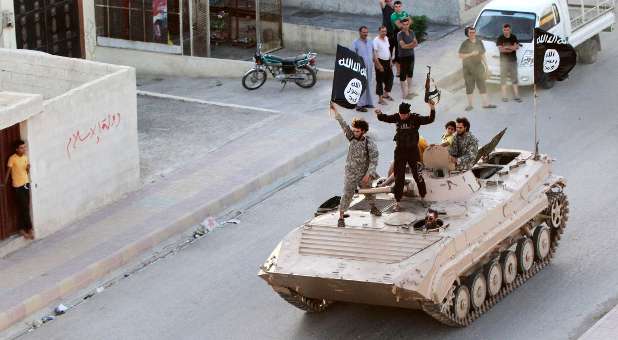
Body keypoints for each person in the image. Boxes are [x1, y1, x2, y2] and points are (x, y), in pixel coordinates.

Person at [376, 100, 436, 211]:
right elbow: (385, 118)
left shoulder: (415, 118)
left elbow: (430, 119)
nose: (402, 117)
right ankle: (397, 202)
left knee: (418, 175)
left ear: (408, 113)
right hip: (400, 151)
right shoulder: (397, 117)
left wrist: (432, 108)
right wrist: (379, 114)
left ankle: (423, 198)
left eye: (404, 115)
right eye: (400, 114)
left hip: (413, 151)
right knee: (399, 177)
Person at [330, 102, 381, 228]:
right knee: (347, 193)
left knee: (369, 192)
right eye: (354, 130)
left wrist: (369, 174)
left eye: (357, 131)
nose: (354, 132)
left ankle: (373, 208)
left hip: (364, 174)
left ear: (363, 131)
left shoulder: (369, 143)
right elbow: (343, 124)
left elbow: (374, 159)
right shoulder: (351, 137)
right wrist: (335, 111)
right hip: (351, 173)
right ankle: (341, 217)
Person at [458, 26, 496, 111]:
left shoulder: (479, 42)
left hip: (479, 67)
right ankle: (470, 105)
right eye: (470, 32)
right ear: (467, 34)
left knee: (482, 86)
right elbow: (460, 56)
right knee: (469, 87)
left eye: (474, 32)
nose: (473, 34)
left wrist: (487, 66)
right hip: (468, 69)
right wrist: (471, 54)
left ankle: (486, 104)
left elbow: (483, 55)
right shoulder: (465, 44)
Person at [2, 140, 33, 240]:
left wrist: (28, 168)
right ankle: (27, 229)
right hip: (18, 186)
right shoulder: (12, 159)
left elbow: (26, 171)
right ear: (16, 149)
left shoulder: (25, 157)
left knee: (26, 207)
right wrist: (4, 183)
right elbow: (8, 172)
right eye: (21, 148)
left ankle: (26, 229)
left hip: (26, 184)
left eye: (24, 147)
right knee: (23, 207)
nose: (24, 149)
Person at [496, 24, 522, 102]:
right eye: (504, 30)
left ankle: (516, 96)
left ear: (510, 30)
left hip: (513, 61)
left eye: (507, 30)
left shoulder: (513, 37)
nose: (506, 31)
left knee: (514, 78)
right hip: (503, 61)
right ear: (502, 30)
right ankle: (504, 96)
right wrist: (511, 48)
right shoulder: (500, 38)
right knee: (503, 78)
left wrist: (507, 47)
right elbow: (501, 50)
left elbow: (516, 47)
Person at [353, 26, 375, 112]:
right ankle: (359, 105)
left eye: (366, 32)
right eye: (363, 32)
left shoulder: (370, 42)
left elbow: (373, 53)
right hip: (360, 69)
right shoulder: (355, 43)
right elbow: (352, 56)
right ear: (360, 32)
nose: (365, 34)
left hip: (369, 67)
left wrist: (377, 64)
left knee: (368, 84)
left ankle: (367, 102)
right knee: (361, 86)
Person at [397, 18, 418, 100]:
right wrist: (411, 44)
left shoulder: (412, 32)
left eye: (407, 24)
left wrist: (409, 45)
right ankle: (404, 94)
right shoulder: (400, 34)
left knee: (410, 74)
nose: (406, 26)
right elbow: (403, 46)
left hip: (411, 55)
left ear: (409, 24)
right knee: (403, 75)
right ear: (401, 25)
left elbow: (416, 43)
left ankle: (409, 92)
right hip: (403, 57)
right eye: (404, 24)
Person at [373, 25, 394, 104]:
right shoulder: (376, 40)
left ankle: (386, 94)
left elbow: (388, 50)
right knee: (380, 80)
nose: (384, 33)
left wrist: (391, 60)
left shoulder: (386, 38)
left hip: (387, 61)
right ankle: (380, 99)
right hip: (380, 61)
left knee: (390, 78)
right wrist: (379, 65)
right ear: (379, 31)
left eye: (385, 31)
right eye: (382, 31)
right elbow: (374, 54)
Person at [390, 1, 411, 77]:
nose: (398, 8)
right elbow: (399, 26)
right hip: (397, 34)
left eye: (399, 6)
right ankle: (398, 72)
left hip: (405, 33)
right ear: (394, 7)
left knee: (406, 51)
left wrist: (405, 23)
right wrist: (406, 23)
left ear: (401, 6)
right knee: (398, 53)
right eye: (396, 6)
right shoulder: (393, 15)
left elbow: (411, 21)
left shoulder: (404, 13)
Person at [379, 0, 396, 64]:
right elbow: (381, 1)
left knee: (391, 47)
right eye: (387, 1)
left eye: (390, 1)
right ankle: (385, 61)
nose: (389, 2)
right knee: (385, 47)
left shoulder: (394, 8)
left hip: (393, 31)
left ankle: (390, 61)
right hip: (385, 32)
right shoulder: (385, 7)